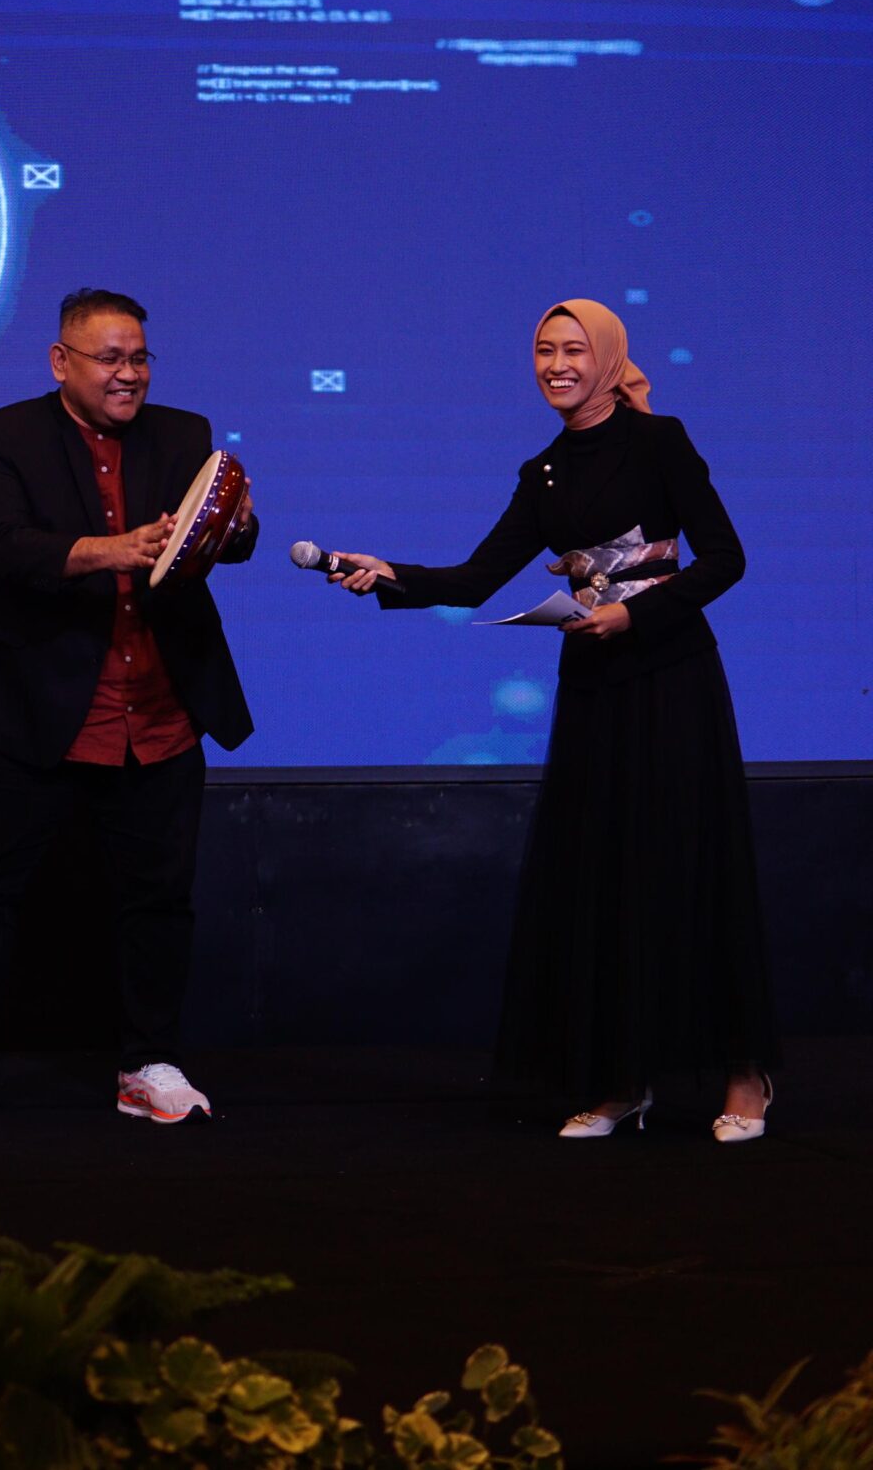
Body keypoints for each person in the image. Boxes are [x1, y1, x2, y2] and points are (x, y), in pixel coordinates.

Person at [322, 299, 777, 1141]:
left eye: (573, 349)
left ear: (606, 355)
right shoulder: (543, 473)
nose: (557, 365)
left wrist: (635, 614)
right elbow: (473, 579)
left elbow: (726, 558)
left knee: (692, 864)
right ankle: (621, 1077)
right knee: (604, 875)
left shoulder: (660, 441)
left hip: (672, 679)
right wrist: (387, 573)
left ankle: (745, 1072)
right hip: (595, 686)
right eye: (544, 350)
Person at [0, 289, 257, 1127]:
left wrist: (236, 528)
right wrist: (115, 550)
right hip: (34, 708)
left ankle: (150, 1062)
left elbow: (217, 544)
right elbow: (3, 545)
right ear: (60, 361)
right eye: (110, 358)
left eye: (139, 357)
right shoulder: (3, 435)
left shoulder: (184, 434)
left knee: (159, 897)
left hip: (160, 706)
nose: (128, 373)